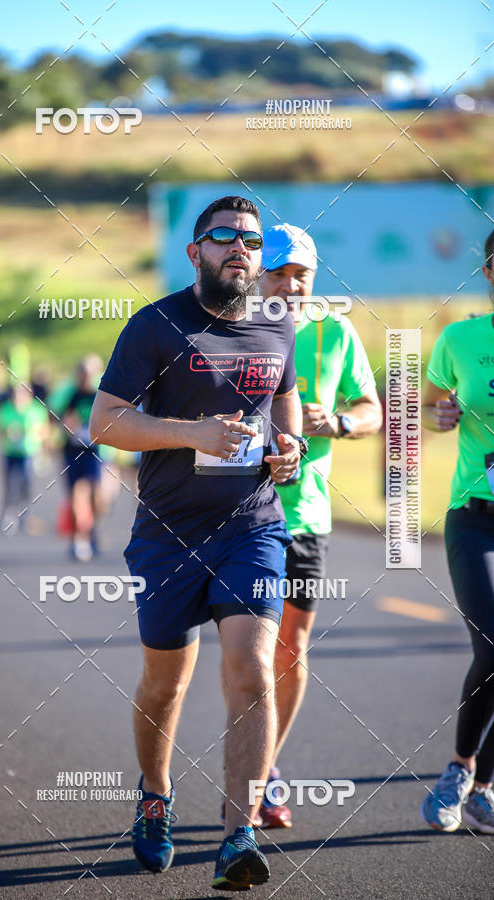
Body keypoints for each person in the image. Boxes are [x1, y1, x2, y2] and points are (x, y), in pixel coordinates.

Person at [90, 196, 305, 892]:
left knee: (249, 667)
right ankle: (155, 795)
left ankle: (237, 834)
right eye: (222, 237)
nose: (238, 248)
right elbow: (105, 422)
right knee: (166, 681)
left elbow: (283, 400)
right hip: (168, 535)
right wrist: (193, 434)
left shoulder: (279, 324)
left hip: (253, 523)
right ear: (195, 252)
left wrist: (290, 447)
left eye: (249, 239)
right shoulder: (156, 325)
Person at [257, 224, 382, 827]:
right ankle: (241, 769)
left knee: (291, 647)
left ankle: (266, 771)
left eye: (298, 274)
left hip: (305, 516)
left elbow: (371, 410)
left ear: (313, 277)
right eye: (276, 272)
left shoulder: (335, 332)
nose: (288, 284)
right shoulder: (230, 329)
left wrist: (333, 422)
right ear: (256, 273)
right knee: (247, 651)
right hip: (236, 514)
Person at [420, 229, 494, 834]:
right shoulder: (460, 338)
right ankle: (460, 768)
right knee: (493, 650)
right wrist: (440, 414)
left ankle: (485, 788)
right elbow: (431, 403)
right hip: (475, 517)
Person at [60, 357, 103, 561]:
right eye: (84, 372)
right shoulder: (71, 395)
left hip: (95, 453)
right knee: (78, 495)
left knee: (96, 499)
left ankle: (91, 532)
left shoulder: (101, 395)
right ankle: (79, 539)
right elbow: (57, 418)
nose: (87, 377)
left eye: (91, 373)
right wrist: (69, 425)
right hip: (73, 452)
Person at [0, 382, 49, 533]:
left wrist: (42, 450)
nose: (17, 397)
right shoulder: (6, 408)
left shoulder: (37, 409)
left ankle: (24, 511)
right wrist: (7, 432)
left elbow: (45, 431)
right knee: (10, 484)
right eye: (15, 394)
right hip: (10, 452)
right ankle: (9, 514)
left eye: (21, 393)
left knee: (26, 483)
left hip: (29, 453)